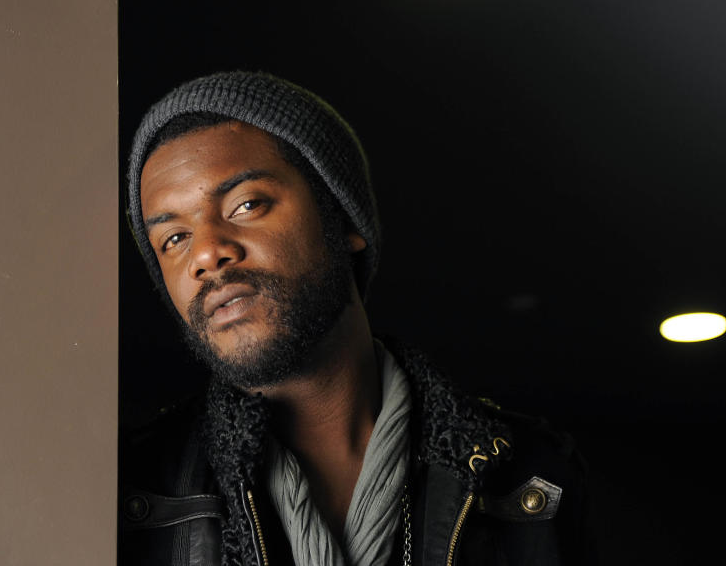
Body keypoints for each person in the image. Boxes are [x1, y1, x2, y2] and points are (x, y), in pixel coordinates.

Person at [119, 71, 590, 566]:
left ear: (342, 218)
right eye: (173, 239)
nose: (207, 253)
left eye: (246, 204)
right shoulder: (136, 487)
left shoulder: (531, 475)